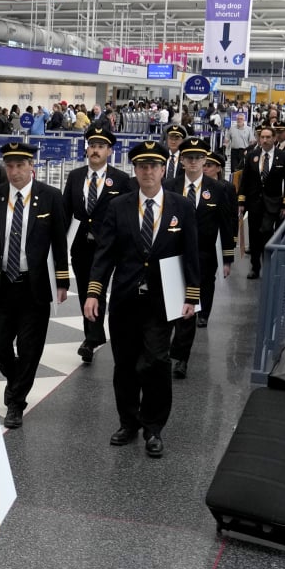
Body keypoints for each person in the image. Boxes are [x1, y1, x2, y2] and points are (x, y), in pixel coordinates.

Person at [83, 141, 199, 458]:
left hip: (162, 299)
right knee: (125, 364)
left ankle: (153, 427)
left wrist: (192, 295)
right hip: (125, 299)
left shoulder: (181, 207)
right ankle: (128, 422)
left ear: (163, 170)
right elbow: (105, 253)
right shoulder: (118, 206)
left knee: (157, 361)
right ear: (134, 170)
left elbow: (191, 252)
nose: (148, 172)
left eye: (154, 166)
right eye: (142, 166)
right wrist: (94, 292)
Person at [0, 142, 69, 429]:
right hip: (1, 282)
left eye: (20, 165)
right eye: (10, 166)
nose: (14, 172)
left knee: (30, 348)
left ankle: (16, 402)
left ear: (31, 166)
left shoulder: (50, 197)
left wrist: (62, 281)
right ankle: (16, 380)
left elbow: (59, 242)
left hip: (34, 285)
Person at [166, 139, 235, 378]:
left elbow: (226, 224)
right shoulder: (170, 186)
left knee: (190, 307)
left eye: (198, 158)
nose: (193, 162)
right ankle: (165, 349)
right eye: (189, 157)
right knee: (170, 304)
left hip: (203, 255)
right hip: (173, 254)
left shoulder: (217, 189)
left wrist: (227, 258)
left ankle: (180, 357)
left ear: (205, 160)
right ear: (182, 161)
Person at [62, 127, 132, 363]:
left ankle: (92, 339)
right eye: (92, 146)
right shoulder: (75, 176)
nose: (95, 150)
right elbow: (66, 211)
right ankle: (92, 334)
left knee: (98, 287)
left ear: (109, 151)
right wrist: (59, 242)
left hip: (109, 246)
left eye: (101, 147)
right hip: (80, 244)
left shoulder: (121, 179)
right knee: (85, 289)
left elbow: (127, 212)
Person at [237, 126, 285, 279]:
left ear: (274, 138)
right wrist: (241, 201)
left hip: (273, 202)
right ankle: (255, 267)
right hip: (254, 202)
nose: (265, 140)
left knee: (267, 232)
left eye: (268, 137)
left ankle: (268, 264)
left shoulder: (284, 157)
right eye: (262, 137)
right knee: (254, 235)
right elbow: (244, 180)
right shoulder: (252, 155)